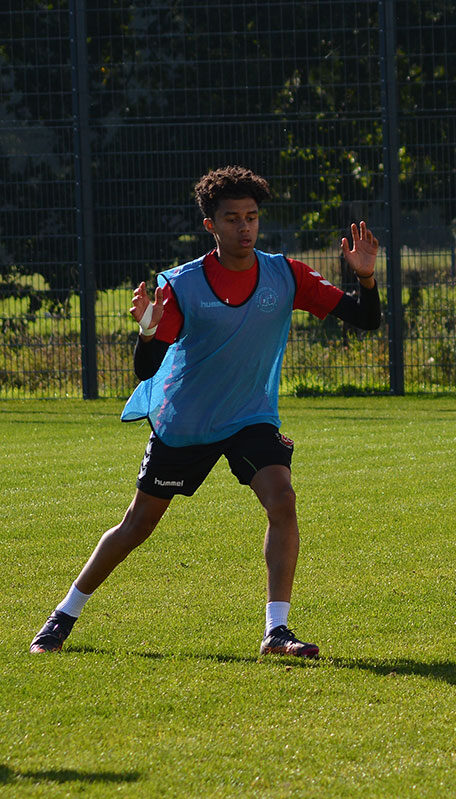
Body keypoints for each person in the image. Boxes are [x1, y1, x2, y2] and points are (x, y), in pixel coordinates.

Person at [29, 165, 383, 656]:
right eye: (232, 218)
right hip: (187, 422)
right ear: (210, 225)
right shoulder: (184, 285)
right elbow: (147, 369)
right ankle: (63, 616)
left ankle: (276, 631)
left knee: (282, 499)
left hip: (250, 416)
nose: (245, 228)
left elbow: (366, 319)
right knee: (138, 525)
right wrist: (148, 332)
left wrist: (365, 276)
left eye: (252, 217)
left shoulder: (286, 275)